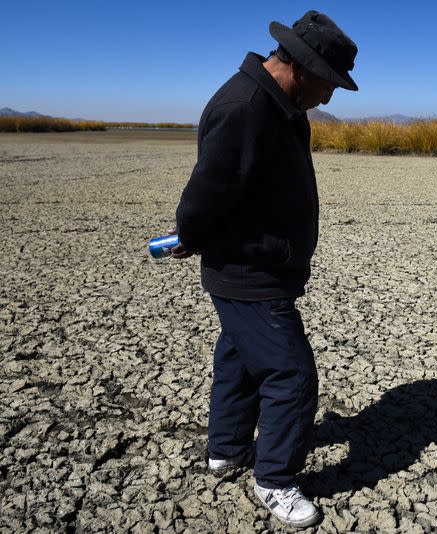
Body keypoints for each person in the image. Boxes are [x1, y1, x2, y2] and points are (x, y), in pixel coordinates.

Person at [169, 10, 358, 528]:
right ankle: (274, 479)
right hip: (248, 270)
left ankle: (227, 450)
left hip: (260, 263)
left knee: (239, 355)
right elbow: (207, 191)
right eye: (329, 84)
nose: (330, 97)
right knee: (291, 375)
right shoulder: (246, 107)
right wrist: (192, 235)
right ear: (300, 66)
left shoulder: (277, 105)